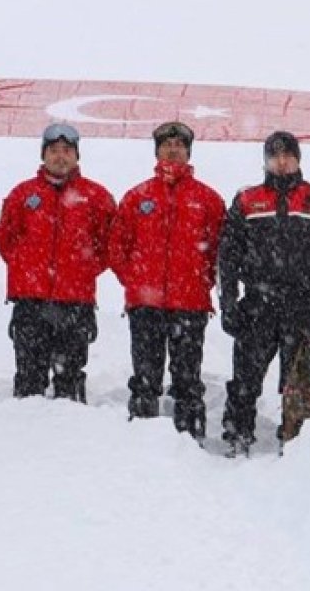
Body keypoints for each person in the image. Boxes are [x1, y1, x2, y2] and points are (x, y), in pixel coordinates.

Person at [218, 130, 310, 452]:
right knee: (245, 380)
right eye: (274, 155)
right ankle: (238, 436)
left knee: (301, 383)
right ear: (266, 160)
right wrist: (229, 303)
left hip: (302, 304)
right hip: (258, 303)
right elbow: (227, 258)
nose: (282, 161)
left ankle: (297, 440)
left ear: (298, 159)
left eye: (288, 154)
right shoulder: (247, 199)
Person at [108, 121, 225, 438]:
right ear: (157, 151)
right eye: (166, 145)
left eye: (179, 145)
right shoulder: (137, 197)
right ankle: (142, 437)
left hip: (190, 305)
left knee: (187, 378)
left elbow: (221, 252)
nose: (173, 150)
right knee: (145, 377)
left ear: (188, 152)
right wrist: (135, 282)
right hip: (145, 306)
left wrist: (203, 283)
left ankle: (191, 438)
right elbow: (116, 247)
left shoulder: (208, 200)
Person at [0, 123, 116, 403]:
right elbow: (6, 240)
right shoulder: (23, 194)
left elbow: (110, 244)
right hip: (30, 302)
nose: (60, 157)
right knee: (29, 378)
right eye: (53, 151)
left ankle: (71, 440)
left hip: (75, 302)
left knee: (70, 379)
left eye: (66, 151)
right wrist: (28, 269)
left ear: (76, 156)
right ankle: (25, 438)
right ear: (43, 155)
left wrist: (82, 271)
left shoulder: (96, 197)